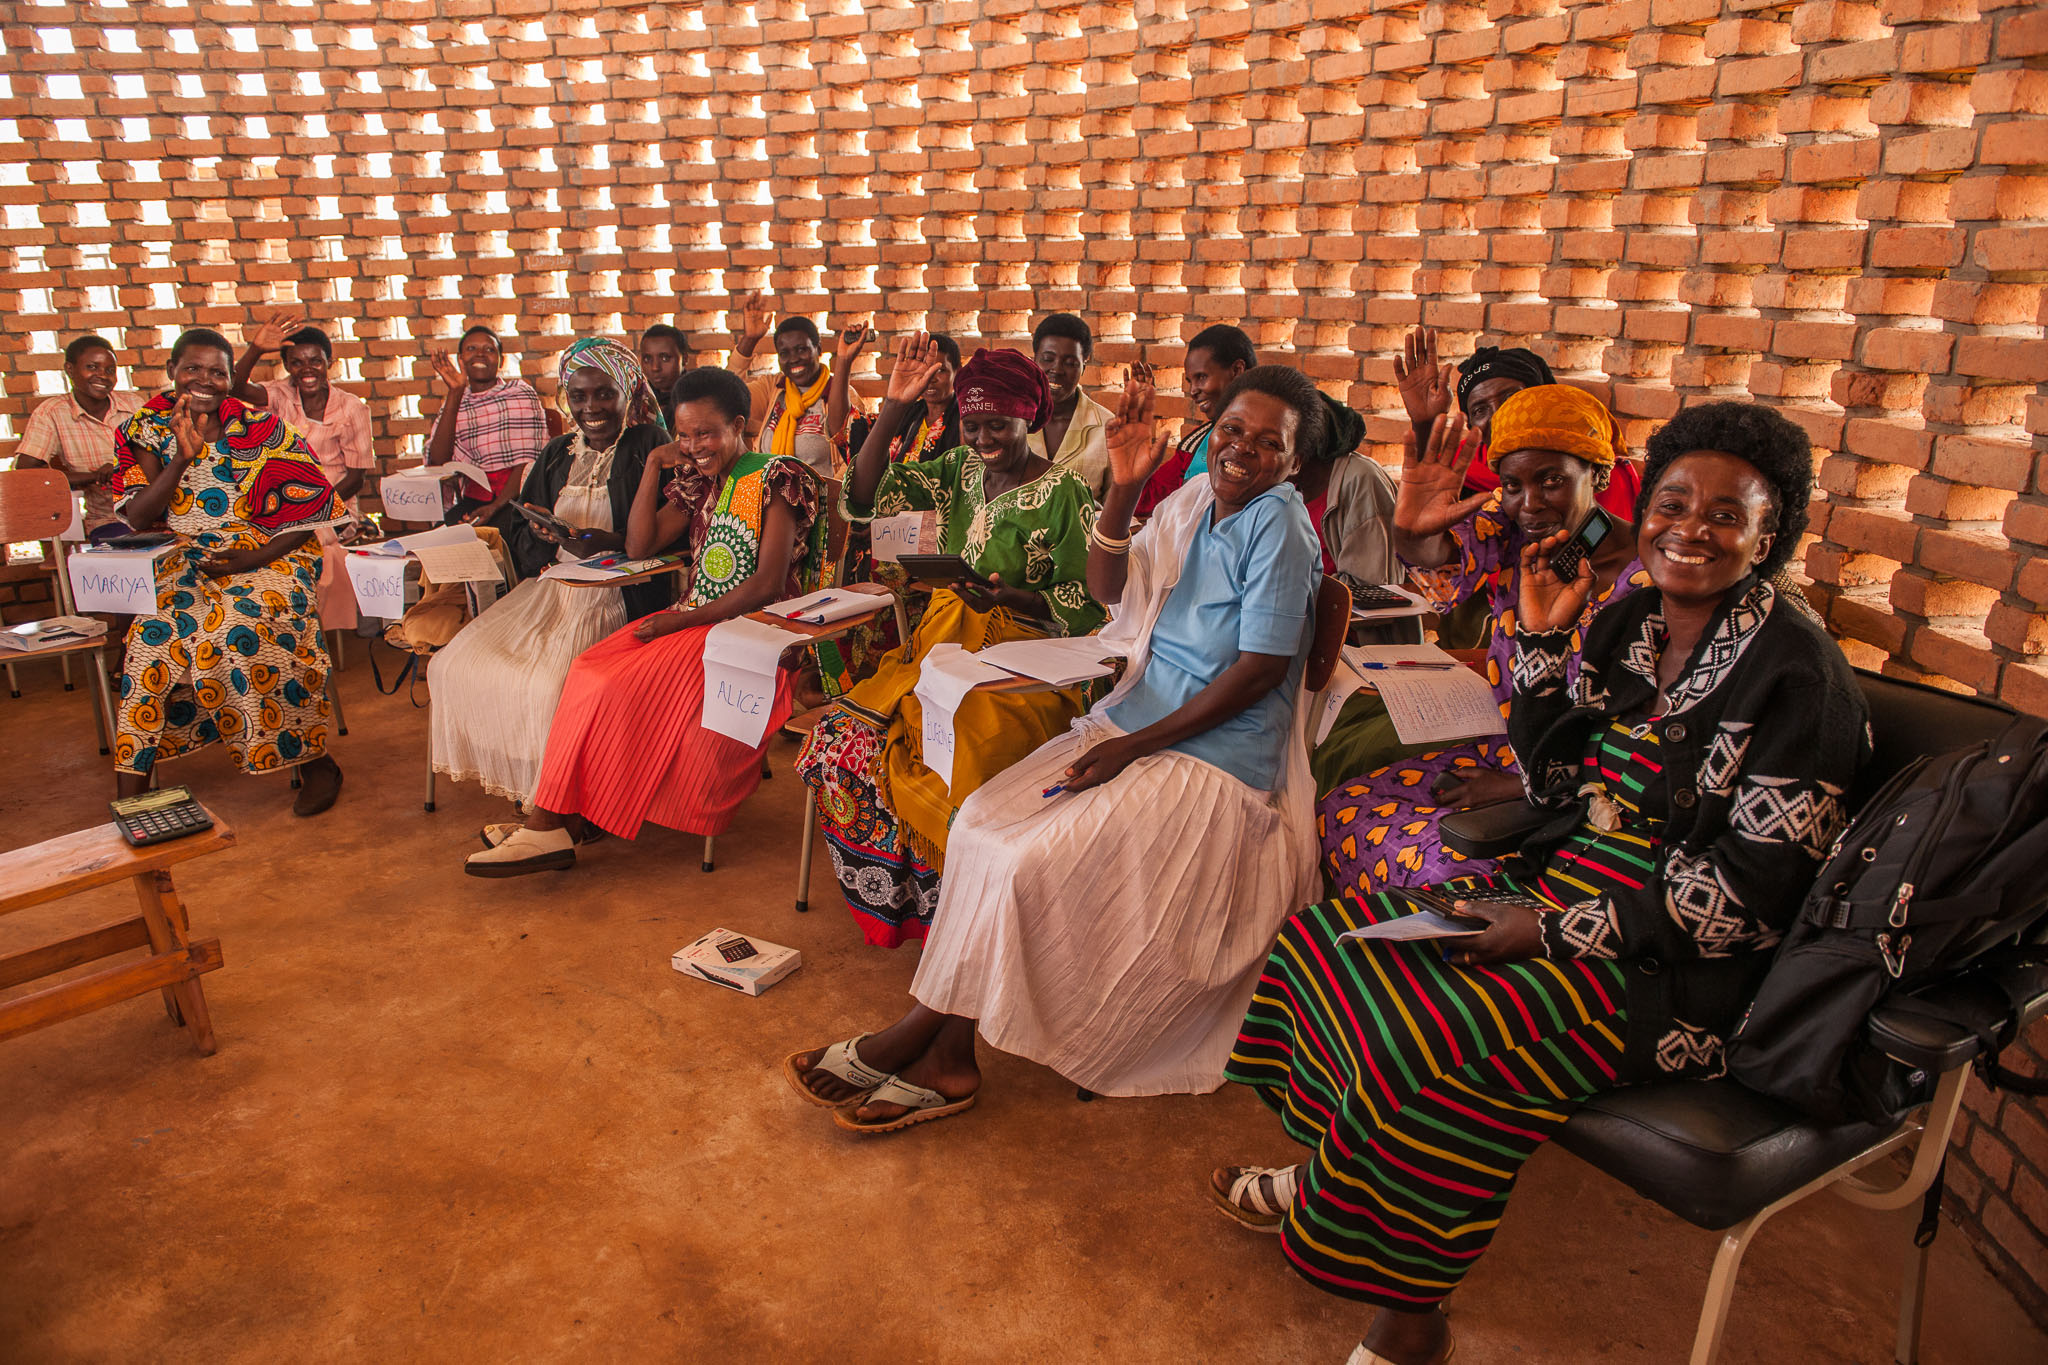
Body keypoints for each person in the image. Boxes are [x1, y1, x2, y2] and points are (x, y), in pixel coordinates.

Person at [1217, 400, 1867, 1365]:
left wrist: (1550, 932)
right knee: (1327, 946)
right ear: (1643, 509)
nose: (1690, 529)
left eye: (1727, 515)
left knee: (1429, 1044)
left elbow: (1748, 903)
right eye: (1673, 504)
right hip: (1561, 895)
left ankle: (1408, 1318)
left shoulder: (1798, 678)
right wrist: (1542, 640)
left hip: (1681, 972)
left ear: (1769, 538)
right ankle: (1334, 1171)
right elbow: (1555, 783)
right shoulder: (1633, 621)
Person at [787, 365, 1325, 1128]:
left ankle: (925, 1042)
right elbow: (1110, 590)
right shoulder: (1196, 499)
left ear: (1295, 462)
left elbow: (1261, 669)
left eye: (1269, 443)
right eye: (1232, 430)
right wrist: (1124, 491)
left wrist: (1133, 747)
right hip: (1136, 723)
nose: (1242, 449)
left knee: (1022, 860)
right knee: (979, 823)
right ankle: (943, 1048)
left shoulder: (1280, 526)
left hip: (1212, 756)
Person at [795, 339, 1103, 947]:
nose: (984, 439)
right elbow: (864, 499)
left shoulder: (1067, 493)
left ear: (1029, 419)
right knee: (840, 743)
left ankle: (972, 918)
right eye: (973, 424)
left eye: (999, 425)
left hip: (1029, 661)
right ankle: (913, 912)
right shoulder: (957, 470)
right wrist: (893, 408)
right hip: (942, 644)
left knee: (963, 749)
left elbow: (1089, 605)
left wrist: (1013, 599)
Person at [464, 368, 824, 876]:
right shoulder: (700, 481)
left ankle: (552, 824)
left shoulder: (775, 477)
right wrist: (655, 463)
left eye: (705, 433)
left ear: (739, 425)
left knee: (610, 685)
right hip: (697, 621)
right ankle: (559, 819)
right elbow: (639, 546)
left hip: (753, 631)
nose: (693, 446)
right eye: (683, 435)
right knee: (586, 670)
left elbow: (766, 584)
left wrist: (680, 623)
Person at [1318, 387, 1649, 893]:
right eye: (1512, 485)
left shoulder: (1645, 579)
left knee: (1442, 868)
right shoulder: (1515, 533)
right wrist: (1409, 533)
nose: (1530, 504)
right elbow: (1439, 556)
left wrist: (1522, 786)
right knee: (1342, 808)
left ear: (1599, 474)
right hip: (1508, 750)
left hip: (1594, 784)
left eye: (1552, 480)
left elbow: (1639, 732)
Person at [431, 338, 679, 808]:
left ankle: (568, 797)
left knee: (550, 685)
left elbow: (671, 534)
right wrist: (543, 533)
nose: (591, 408)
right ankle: (542, 781)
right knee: (454, 664)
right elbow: (525, 541)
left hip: (621, 593)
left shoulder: (650, 445)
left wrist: (603, 543)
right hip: (555, 587)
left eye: (604, 394)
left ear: (628, 391)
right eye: (578, 397)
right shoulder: (558, 451)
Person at [108, 328, 346, 815]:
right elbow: (137, 516)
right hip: (187, 560)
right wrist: (182, 458)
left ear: (230, 377)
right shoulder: (143, 428)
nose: (204, 380)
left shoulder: (263, 428)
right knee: (149, 640)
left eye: (217, 372)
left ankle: (315, 761)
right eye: (192, 368)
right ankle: (130, 799)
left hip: (272, 554)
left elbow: (311, 513)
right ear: (172, 370)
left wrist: (249, 560)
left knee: (239, 628)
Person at [232, 321, 376, 632]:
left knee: (292, 543)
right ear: (286, 366)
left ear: (329, 363)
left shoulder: (351, 408)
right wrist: (255, 349)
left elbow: (355, 479)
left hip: (333, 506)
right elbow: (233, 387)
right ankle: (273, 621)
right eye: (296, 362)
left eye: (315, 361)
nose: (306, 369)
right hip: (278, 505)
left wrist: (312, 510)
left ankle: (299, 623)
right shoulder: (278, 395)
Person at [15, 334, 145, 540]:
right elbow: (28, 474)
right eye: (92, 367)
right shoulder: (52, 413)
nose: (103, 376)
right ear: (70, 369)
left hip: (159, 511)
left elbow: (164, 456)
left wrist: (120, 468)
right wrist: (93, 477)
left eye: (110, 370)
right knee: (134, 549)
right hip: (110, 519)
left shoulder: (134, 405)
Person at [726, 295, 869, 480]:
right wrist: (750, 339)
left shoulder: (842, 394)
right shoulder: (774, 387)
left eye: (801, 349)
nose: (793, 359)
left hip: (821, 496)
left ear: (818, 349)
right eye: (784, 353)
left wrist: (820, 495)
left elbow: (854, 459)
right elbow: (727, 397)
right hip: (769, 493)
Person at [424, 325, 548, 526]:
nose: (480, 354)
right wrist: (455, 392)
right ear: (460, 359)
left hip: (517, 498)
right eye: (471, 349)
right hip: (475, 500)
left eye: (489, 349)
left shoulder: (520, 394)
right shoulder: (457, 401)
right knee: (444, 533)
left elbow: (528, 461)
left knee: (503, 531)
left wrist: (495, 507)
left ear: (501, 360)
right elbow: (438, 460)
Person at [1133, 324, 1257, 517]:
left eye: (1202, 377)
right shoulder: (1195, 444)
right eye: (1191, 381)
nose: (1193, 391)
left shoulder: (1276, 442)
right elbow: (1144, 501)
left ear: (1237, 370)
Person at [1296, 393, 1398, 584]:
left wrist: (1286, 587)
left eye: (1270, 442)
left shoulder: (1361, 480)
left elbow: (1369, 587)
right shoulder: (1285, 486)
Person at [1027, 312, 1115, 497]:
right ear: (1034, 361)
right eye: (1048, 359)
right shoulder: (1011, 420)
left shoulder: (1108, 428)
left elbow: (1116, 506)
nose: (1057, 370)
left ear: (1083, 367)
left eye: (1070, 363)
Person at [637, 323, 693, 429]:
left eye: (665, 358)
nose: (655, 367)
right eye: (647, 359)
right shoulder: (638, 401)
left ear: (684, 359)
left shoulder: (697, 399)